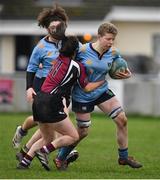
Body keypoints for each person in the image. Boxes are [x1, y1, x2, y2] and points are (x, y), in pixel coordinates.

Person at [55, 22, 143, 170]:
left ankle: (124, 157)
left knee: (122, 120)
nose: (111, 42)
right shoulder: (82, 50)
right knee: (82, 132)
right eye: (108, 39)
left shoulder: (114, 52)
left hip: (102, 91)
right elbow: (67, 66)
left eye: (113, 39)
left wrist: (125, 74)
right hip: (82, 94)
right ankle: (61, 157)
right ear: (99, 37)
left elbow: (118, 66)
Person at [17, 35, 105, 170]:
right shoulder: (77, 66)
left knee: (47, 138)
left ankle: (24, 162)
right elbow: (87, 88)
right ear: (76, 51)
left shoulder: (57, 60)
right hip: (52, 102)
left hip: (38, 99)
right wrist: (102, 81)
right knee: (73, 136)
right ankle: (44, 151)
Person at [12, 4, 79, 166]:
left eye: (59, 26)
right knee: (51, 121)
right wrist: (29, 88)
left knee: (49, 123)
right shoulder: (40, 47)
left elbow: (80, 55)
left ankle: (27, 153)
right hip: (43, 86)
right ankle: (28, 137)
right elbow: (31, 68)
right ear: (47, 28)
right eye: (53, 27)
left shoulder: (68, 42)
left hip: (63, 88)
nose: (56, 29)